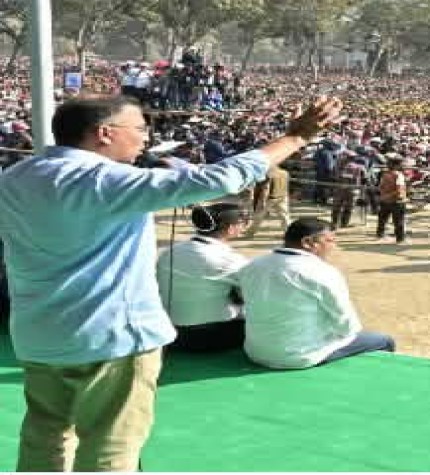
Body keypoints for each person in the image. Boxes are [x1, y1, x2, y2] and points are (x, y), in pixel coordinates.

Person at [0, 94, 341, 472]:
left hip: (39, 335)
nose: (146, 137)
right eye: (139, 128)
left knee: (45, 436)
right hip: (111, 339)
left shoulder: (15, 177)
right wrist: (296, 137)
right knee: (110, 445)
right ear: (104, 133)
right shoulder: (105, 180)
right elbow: (220, 179)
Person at [237, 217, 395, 369]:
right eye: (330, 241)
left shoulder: (253, 265)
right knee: (384, 340)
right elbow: (347, 325)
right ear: (308, 242)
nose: (334, 247)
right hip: (300, 356)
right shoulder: (322, 272)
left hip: (255, 352)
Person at [157, 203, 250, 353]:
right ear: (231, 228)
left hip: (169, 333)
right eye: (244, 223)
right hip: (208, 337)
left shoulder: (169, 252)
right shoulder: (230, 260)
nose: (245, 226)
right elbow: (253, 294)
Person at [376, 157, 409, 244]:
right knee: (398, 221)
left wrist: (384, 196)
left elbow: (380, 187)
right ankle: (400, 239)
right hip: (397, 201)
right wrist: (390, 195)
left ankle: (380, 235)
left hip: (385, 200)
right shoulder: (399, 175)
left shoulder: (384, 175)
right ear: (397, 165)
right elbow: (399, 190)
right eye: (401, 164)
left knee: (382, 220)